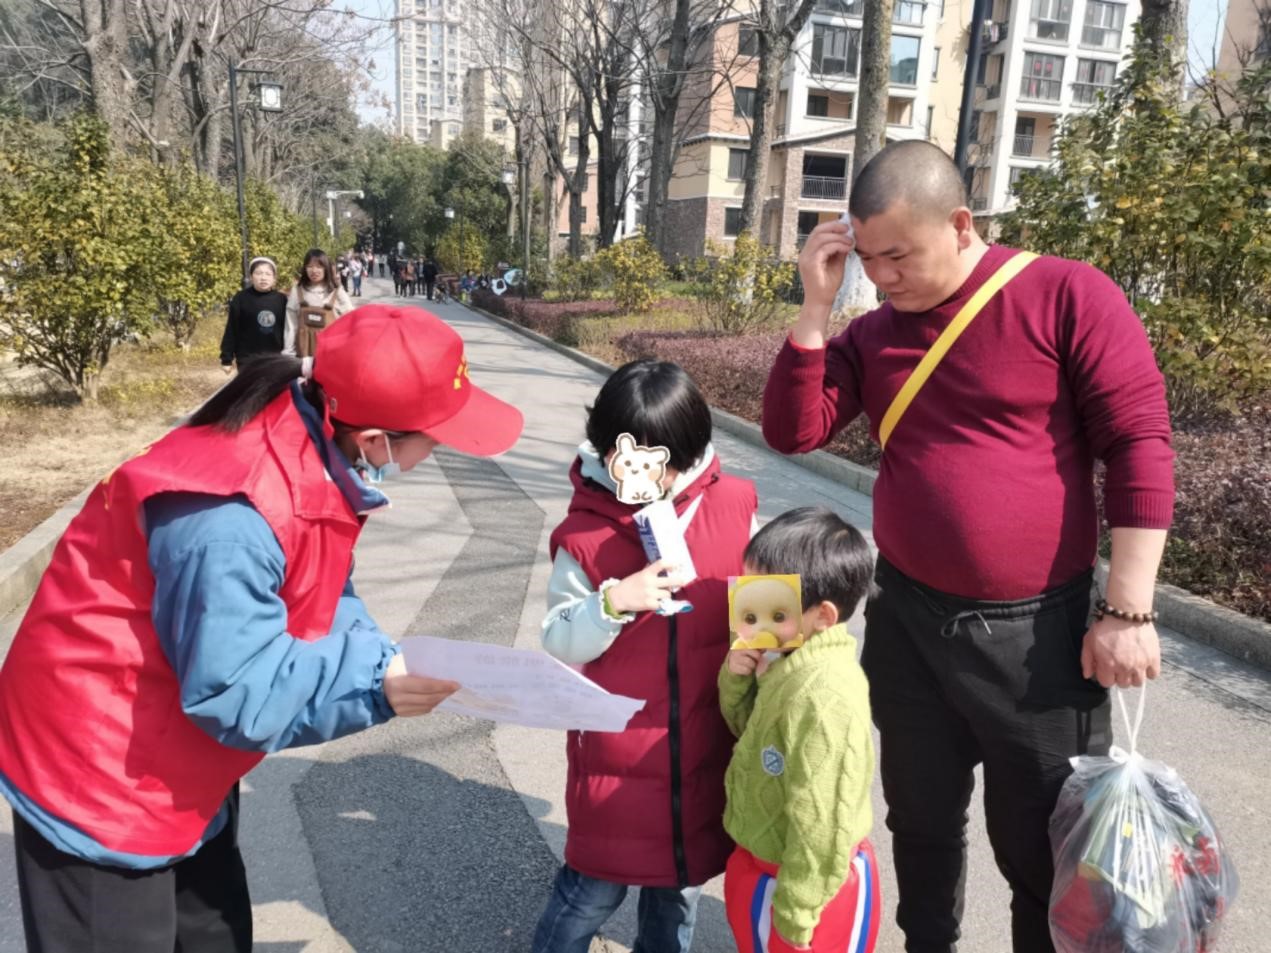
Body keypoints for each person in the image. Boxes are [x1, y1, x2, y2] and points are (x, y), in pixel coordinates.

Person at [0, 304, 525, 953]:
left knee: (214, 933)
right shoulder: (231, 519)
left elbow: (322, 586)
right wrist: (373, 681)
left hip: (177, 746)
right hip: (101, 766)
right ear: (374, 441)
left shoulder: (307, 439)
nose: (437, 451)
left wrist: (376, 654)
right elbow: (234, 689)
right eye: (435, 439)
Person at [762, 140, 1174, 953]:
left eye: (898, 255)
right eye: (867, 257)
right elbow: (792, 429)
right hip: (909, 621)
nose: (882, 275)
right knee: (919, 823)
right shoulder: (874, 334)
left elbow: (1138, 442)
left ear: (959, 225)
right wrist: (813, 309)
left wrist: (1127, 609)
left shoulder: (1065, 294)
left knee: (1042, 848)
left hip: (1037, 640)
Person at [531, 360, 758, 953]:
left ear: (692, 449)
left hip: (704, 746)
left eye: (665, 462)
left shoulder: (734, 504)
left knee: (679, 891)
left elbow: (755, 601)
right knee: (591, 891)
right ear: (608, 451)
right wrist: (613, 603)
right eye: (630, 460)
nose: (649, 477)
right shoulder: (585, 534)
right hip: (617, 756)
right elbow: (559, 638)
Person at [719, 507, 880, 953]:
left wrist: (794, 920)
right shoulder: (788, 658)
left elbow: (821, 824)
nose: (748, 613)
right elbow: (750, 733)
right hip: (766, 865)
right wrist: (737, 677)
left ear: (822, 615)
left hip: (807, 892)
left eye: (768, 601)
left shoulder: (825, 696)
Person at [219, 256, 288, 374]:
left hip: (276, 358)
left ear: (274, 278)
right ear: (251, 276)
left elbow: (289, 329)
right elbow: (231, 329)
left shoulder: (282, 300)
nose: (263, 277)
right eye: (258, 273)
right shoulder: (241, 298)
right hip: (247, 359)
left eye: (268, 274)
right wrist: (226, 358)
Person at [284, 249, 353, 358]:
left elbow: (350, 320)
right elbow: (291, 326)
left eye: (319, 267)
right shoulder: (297, 291)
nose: (314, 270)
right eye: (310, 266)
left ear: (326, 268)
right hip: (303, 356)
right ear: (305, 268)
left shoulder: (336, 291)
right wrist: (288, 353)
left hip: (331, 355)